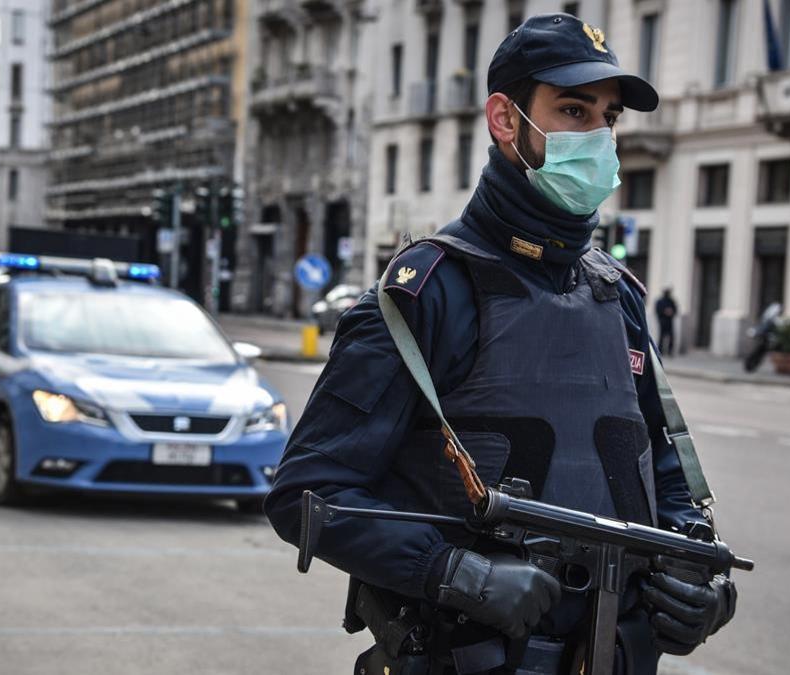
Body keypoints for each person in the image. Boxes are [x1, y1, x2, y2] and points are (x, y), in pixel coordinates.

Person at [264, 14, 736, 675]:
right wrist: (452, 571)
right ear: (505, 120)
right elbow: (310, 493)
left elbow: (662, 473)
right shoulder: (427, 294)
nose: (598, 137)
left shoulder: (617, 296)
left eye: (609, 117)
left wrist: (703, 582)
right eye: (573, 110)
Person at [654, 288, 679, 356]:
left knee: (671, 337)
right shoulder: (660, 301)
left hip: (669, 321)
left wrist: (671, 312)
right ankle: (660, 350)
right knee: (661, 337)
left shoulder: (671, 301)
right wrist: (664, 312)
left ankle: (670, 351)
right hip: (662, 321)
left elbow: (675, 310)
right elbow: (657, 310)